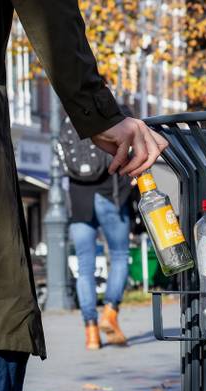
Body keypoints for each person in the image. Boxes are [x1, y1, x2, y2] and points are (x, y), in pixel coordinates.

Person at [0, 2, 167, 391]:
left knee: (88, 262)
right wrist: (99, 112)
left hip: (78, 202)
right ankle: (103, 318)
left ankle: (94, 322)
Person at [64, 113, 135, 350]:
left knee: (84, 266)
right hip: (111, 196)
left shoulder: (69, 117)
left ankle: (91, 333)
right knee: (119, 256)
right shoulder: (116, 113)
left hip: (79, 200)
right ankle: (110, 312)